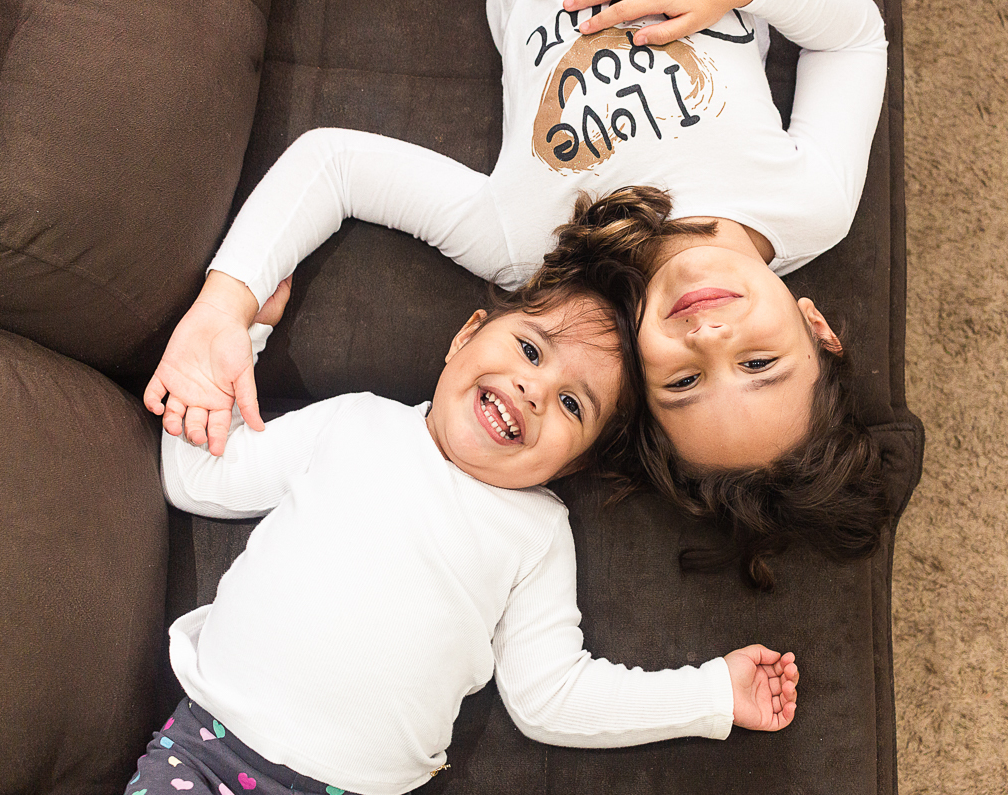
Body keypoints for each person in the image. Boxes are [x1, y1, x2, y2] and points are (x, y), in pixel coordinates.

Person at [144, 0, 892, 584]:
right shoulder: (811, 204)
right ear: (817, 327)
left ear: (637, 373)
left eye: (686, 380)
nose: (711, 340)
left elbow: (336, 166)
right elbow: (854, 37)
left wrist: (224, 304)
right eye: (761, 364)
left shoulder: (527, 246)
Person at [124, 203, 798, 795]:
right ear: (465, 336)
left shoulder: (536, 533)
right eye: (531, 349)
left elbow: (549, 698)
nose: (534, 390)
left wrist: (711, 694)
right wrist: (240, 336)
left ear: (577, 461)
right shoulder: (355, 424)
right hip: (206, 754)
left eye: (571, 404)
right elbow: (197, 480)